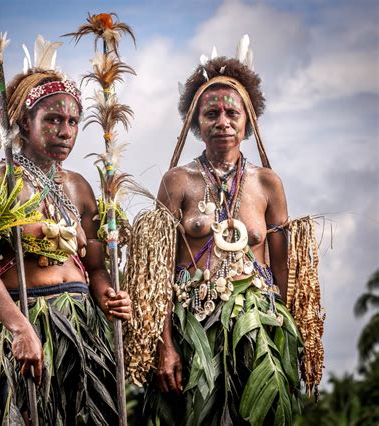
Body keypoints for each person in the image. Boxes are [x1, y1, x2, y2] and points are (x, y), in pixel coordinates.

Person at [0, 64, 131, 425]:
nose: (65, 131)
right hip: (24, 320)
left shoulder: (80, 187)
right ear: (26, 122)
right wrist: (19, 328)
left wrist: (108, 295)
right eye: (53, 119)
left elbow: (96, 268)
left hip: (79, 328)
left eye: (73, 121)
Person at [144, 39, 303, 425]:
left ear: (248, 121)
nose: (222, 122)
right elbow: (158, 272)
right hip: (192, 330)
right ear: (195, 123)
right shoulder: (177, 181)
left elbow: (285, 271)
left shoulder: (268, 184)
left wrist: (295, 342)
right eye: (210, 113)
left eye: (232, 113)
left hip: (259, 331)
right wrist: (165, 345)